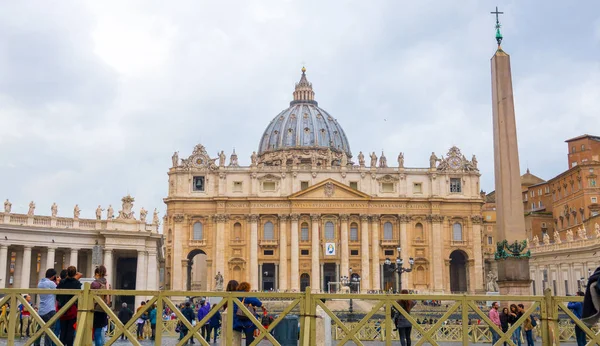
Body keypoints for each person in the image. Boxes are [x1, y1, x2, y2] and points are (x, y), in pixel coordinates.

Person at [56, 266, 82, 346]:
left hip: (63, 308)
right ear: (75, 274)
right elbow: (79, 297)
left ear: (67, 273)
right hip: (72, 309)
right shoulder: (77, 283)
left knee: (63, 330)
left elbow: (57, 295)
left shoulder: (62, 282)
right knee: (70, 330)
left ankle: (61, 344)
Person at [34, 268, 59, 346]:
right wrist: (57, 281)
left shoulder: (40, 283)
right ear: (53, 276)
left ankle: (36, 344)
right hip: (50, 309)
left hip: (41, 309)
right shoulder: (51, 284)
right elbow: (58, 290)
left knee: (39, 330)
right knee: (50, 331)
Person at [91, 265, 110, 346]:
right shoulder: (107, 283)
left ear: (97, 274)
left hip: (96, 309)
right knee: (101, 329)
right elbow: (109, 300)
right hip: (104, 308)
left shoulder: (95, 284)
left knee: (97, 332)